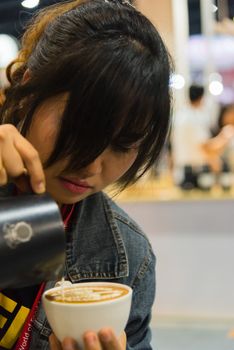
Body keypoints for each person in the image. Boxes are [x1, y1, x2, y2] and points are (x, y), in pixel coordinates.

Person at [0, 0, 172, 349]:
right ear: (30, 86)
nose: (91, 166)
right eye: (80, 128)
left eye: (123, 145)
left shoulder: (126, 257)